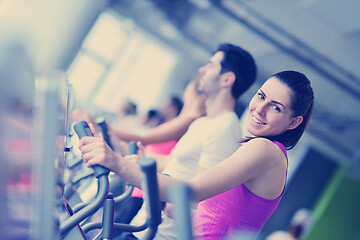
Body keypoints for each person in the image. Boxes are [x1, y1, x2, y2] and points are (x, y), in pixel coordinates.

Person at [78, 70, 314, 239]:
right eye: (261, 96)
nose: (259, 109)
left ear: (293, 122)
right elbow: (220, 212)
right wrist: (177, 208)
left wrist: (116, 163)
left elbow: (190, 192)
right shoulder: (262, 151)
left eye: (275, 107)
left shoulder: (265, 150)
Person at [79, 43, 257, 240]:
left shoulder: (225, 130)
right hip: (141, 227)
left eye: (211, 65)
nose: (202, 70)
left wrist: (123, 164)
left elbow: (197, 201)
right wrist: (142, 160)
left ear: (227, 79)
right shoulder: (205, 123)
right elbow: (174, 163)